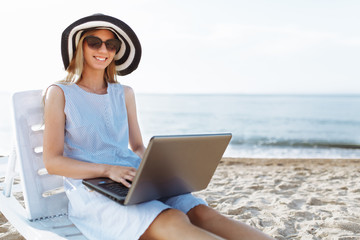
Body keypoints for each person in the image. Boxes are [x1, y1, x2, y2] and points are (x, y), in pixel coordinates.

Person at [43, 14, 274, 240]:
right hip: (93, 189)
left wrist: (162, 170)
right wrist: (107, 170)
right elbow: (52, 162)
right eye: (94, 42)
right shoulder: (61, 93)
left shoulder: (124, 93)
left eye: (111, 45)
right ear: (80, 46)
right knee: (172, 219)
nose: (103, 50)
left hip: (135, 178)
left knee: (202, 213)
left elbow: (137, 146)